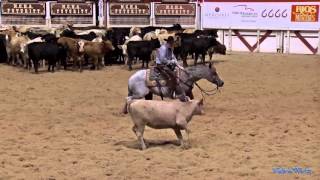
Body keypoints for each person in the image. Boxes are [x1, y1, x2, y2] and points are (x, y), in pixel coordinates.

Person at [155, 36, 187, 101]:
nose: (174, 43)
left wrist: (178, 65)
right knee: (172, 75)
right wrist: (171, 62)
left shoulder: (170, 48)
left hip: (167, 64)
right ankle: (172, 92)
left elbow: (173, 57)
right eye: (173, 42)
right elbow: (162, 59)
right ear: (170, 42)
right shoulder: (163, 48)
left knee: (178, 71)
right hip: (161, 65)